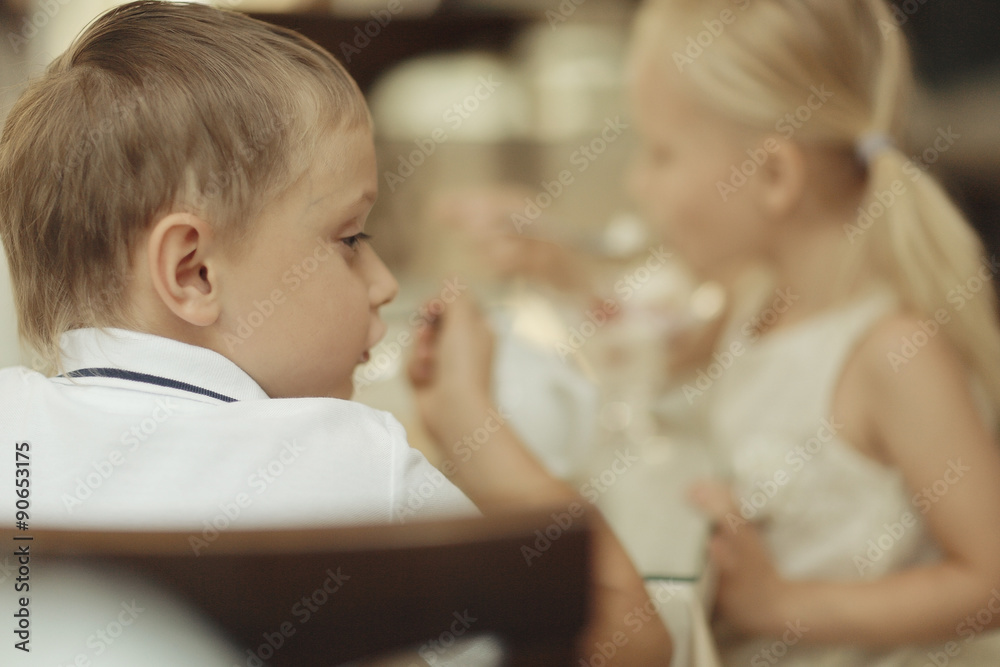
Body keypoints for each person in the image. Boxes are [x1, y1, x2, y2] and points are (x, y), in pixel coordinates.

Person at [0, 2, 672, 665]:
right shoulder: (355, 461)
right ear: (194, 271)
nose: (382, 282)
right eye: (350, 238)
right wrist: (473, 420)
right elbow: (628, 639)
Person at [618, 0, 1000, 664]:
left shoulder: (892, 355)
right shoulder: (757, 299)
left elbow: (991, 580)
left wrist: (782, 605)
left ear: (773, 175)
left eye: (661, 153)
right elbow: (669, 353)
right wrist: (555, 263)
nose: (637, 183)